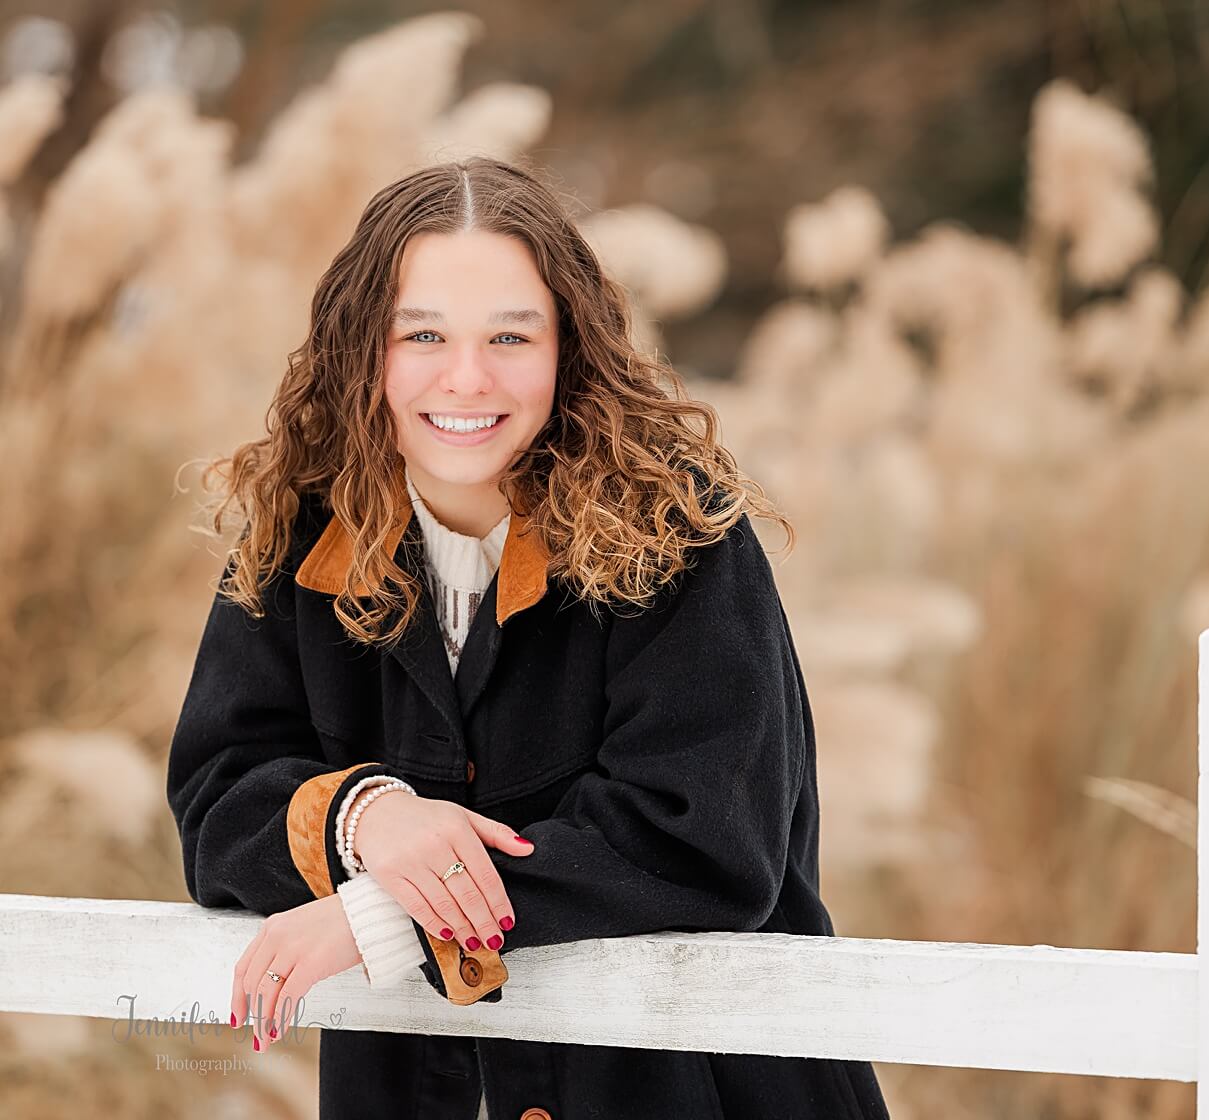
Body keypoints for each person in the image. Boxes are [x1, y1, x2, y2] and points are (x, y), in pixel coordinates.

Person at [165, 155, 892, 1120]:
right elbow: (216, 798)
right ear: (360, 351)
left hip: (704, 1092)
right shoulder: (301, 539)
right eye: (421, 333)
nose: (466, 377)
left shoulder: (679, 533)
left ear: (568, 348)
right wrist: (367, 819)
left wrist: (386, 913)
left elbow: (704, 844)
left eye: (511, 335)